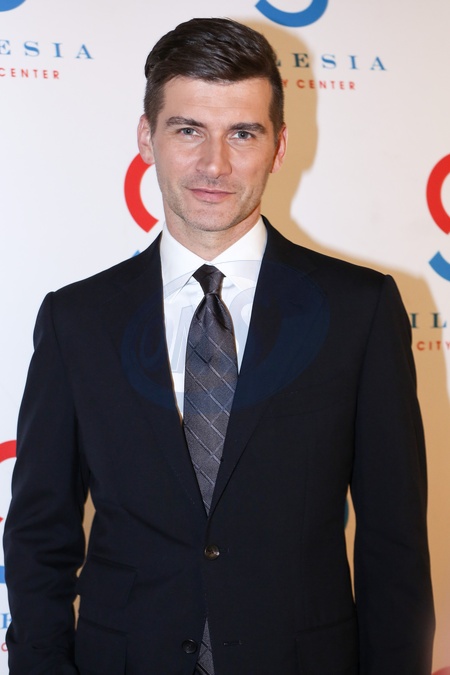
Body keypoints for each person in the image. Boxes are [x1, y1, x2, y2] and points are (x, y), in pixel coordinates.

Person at [4, 17, 434, 675]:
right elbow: (40, 535)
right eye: (188, 130)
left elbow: (394, 544)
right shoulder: (76, 320)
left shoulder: (360, 310)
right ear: (146, 138)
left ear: (279, 146)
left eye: (242, 133)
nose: (215, 164)